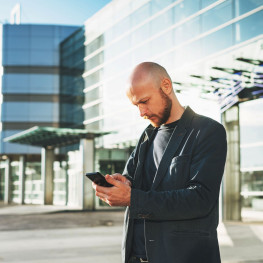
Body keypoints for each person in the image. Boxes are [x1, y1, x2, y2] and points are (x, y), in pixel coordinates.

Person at [92, 62, 227, 263]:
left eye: (144, 101)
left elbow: (200, 199)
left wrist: (133, 198)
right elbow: (133, 183)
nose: (141, 112)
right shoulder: (146, 136)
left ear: (166, 86)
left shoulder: (207, 131)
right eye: (136, 105)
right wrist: (123, 184)